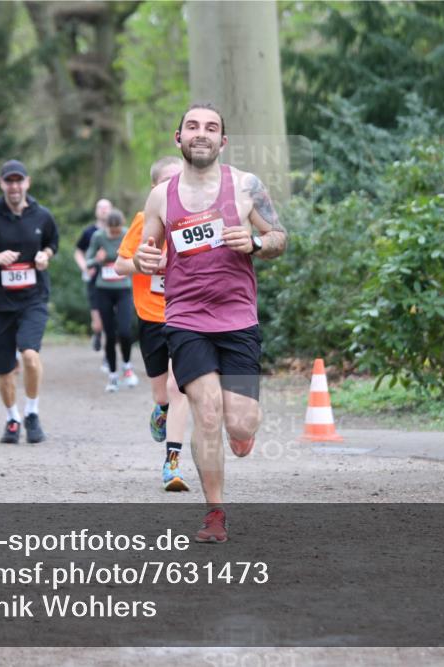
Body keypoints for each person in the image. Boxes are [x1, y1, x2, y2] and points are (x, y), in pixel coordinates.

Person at [135, 103, 287, 542]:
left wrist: (255, 243)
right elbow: (148, 251)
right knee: (206, 412)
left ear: (223, 141)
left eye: (210, 127)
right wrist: (145, 259)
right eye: (192, 126)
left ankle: (242, 434)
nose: (200, 133)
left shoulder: (246, 186)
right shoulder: (161, 196)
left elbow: (279, 238)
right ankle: (214, 514)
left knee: (239, 423)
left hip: (237, 318)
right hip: (186, 318)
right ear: (178, 138)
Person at [0, 160, 59, 445]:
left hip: (33, 299)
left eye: (19, 181)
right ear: (1, 184)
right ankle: (12, 418)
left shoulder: (42, 216)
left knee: (29, 354)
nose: (14, 186)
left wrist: (45, 256)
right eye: (9, 181)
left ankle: (32, 413)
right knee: (4, 369)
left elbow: (52, 243)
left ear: (27, 183)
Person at [115, 156, 191, 491]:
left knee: (178, 388)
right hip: (150, 317)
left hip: (186, 317)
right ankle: (160, 410)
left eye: (178, 181)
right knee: (163, 394)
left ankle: (171, 464)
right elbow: (120, 265)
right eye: (165, 182)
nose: (172, 188)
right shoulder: (143, 220)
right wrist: (143, 264)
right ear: (153, 188)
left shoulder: (194, 222)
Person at [86, 209, 138, 392]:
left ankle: (127, 367)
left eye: (117, 231)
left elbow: (136, 257)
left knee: (124, 331)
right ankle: (113, 375)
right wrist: (97, 259)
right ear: (106, 227)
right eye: (112, 231)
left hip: (124, 289)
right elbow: (88, 261)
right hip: (104, 290)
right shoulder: (98, 237)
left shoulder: (127, 234)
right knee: (109, 333)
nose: (115, 234)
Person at [74, 199, 112, 357]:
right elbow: (78, 252)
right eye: (100, 207)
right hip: (94, 280)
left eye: (106, 207)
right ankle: (97, 333)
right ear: (96, 211)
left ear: (111, 210)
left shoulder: (117, 231)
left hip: (114, 281)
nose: (103, 210)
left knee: (111, 319)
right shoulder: (89, 232)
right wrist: (85, 267)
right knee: (98, 323)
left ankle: (108, 355)